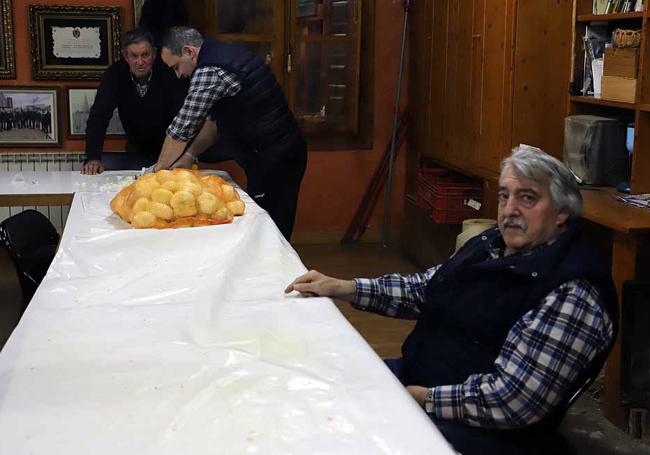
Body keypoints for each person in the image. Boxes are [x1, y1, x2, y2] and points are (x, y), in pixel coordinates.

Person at [285, 146, 618, 455]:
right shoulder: (492, 244)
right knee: (323, 388)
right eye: (504, 196)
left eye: (527, 198)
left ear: (562, 212)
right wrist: (344, 288)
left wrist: (420, 398)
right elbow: (426, 289)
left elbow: (512, 401)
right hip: (424, 381)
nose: (510, 210)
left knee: (344, 437)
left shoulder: (573, 290)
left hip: (486, 431)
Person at [155, 26, 307, 241]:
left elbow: (182, 127)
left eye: (176, 66)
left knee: (271, 230)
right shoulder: (218, 55)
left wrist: (158, 174)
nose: (178, 74)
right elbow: (215, 122)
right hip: (269, 154)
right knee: (264, 222)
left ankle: (274, 272)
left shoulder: (210, 70)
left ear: (189, 52)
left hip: (276, 156)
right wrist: (189, 156)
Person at [81, 28, 188, 175]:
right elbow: (98, 117)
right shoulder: (115, 75)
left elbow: (183, 117)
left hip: (171, 148)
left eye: (145, 55)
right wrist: (93, 157)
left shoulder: (169, 72)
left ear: (154, 55)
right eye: (134, 56)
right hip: (137, 149)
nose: (140, 62)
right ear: (126, 57)